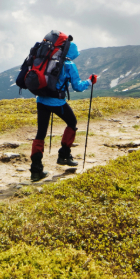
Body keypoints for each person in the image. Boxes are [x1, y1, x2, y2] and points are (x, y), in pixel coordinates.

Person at [30, 41, 96, 182]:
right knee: (72, 122)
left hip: (41, 100)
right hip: (57, 102)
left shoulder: (47, 60)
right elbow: (77, 87)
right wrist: (90, 82)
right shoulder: (69, 64)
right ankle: (64, 156)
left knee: (40, 132)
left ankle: (36, 170)